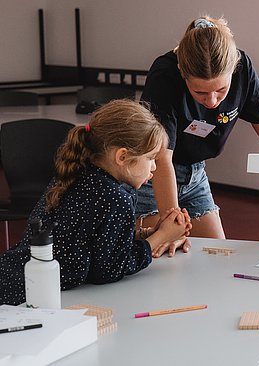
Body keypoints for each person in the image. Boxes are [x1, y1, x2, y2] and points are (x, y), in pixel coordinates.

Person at [0, 100, 190, 305]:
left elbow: (84, 239)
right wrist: (161, 237)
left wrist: (140, 235)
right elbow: (108, 270)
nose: (154, 167)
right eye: (151, 158)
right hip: (26, 297)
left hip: (14, 274)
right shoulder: (116, 198)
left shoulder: (75, 171)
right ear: (123, 156)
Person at [138, 15, 259, 247]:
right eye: (200, 93)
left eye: (221, 90)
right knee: (165, 253)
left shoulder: (243, 67)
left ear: (234, 70)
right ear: (183, 71)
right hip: (152, 175)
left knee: (217, 252)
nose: (212, 101)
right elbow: (162, 157)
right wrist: (171, 224)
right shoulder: (165, 75)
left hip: (195, 174)